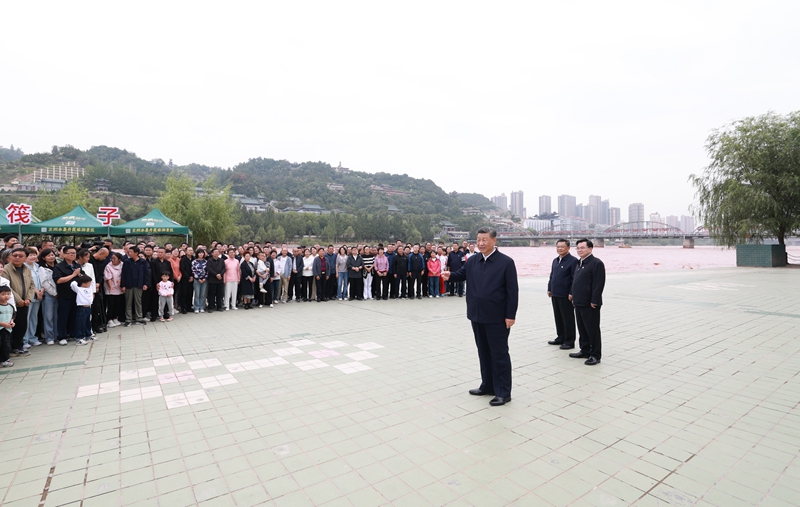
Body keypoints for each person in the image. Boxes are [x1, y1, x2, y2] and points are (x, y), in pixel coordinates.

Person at [443, 227, 519, 406]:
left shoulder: (506, 262)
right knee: (483, 352)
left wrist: (510, 315)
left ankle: (503, 392)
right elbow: (461, 275)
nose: (481, 243)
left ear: (494, 240)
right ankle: (487, 385)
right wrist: (449, 276)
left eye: (484, 240)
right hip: (476, 315)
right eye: (478, 240)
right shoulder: (473, 260)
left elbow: (512, 291)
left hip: (497, 317)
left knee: (499, 354)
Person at [569, 239, 606, 366]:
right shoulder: (579, 262)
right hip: (578, 301)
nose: (579, 250)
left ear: (590, 249)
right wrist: (573, 296)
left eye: (582, 248)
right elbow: (576, 282)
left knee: (592, 329)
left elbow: (598, 284)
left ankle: (595, 355)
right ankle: (585, 350)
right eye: (578, 248)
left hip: (590, 303)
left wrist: (594, 300)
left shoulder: (596, 263)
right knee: (582, 328)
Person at [547, 239, 578, 350]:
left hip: (566, 295)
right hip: (555, 293)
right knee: (558, 317)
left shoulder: (573, 261)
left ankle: (570, 341)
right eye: (558, 247)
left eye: (562, 247)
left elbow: (575, 279)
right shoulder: (555, 260)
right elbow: (552, 276)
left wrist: (571, 292)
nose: (559, 249)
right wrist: (549, 288)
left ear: (568, 248)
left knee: (568, 318)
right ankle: (560, 337)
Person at [5, 247, 35, 356]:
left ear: (25, 258)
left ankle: (18, 346)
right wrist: (19, 300)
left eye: (20, 256)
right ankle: (11, 348)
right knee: (12, 326)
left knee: (22, 325)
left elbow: (32, 285)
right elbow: (7, 287)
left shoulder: (27, 269)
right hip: (11, 303)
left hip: (25, 302)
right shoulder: (6, 269)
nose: (17, 258)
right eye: (15, 255)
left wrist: (28, 298)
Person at [121, 245, 150, 327]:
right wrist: (123, 285)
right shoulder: (127, 262)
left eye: (131, 252)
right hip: (128, 285)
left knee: (138, 302)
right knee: (128, 302)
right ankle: (128, 319)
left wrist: (145, 284)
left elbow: (146, 274)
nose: (129, 253)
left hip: (139, 284)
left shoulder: (143, 262)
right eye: (128, 252)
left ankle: (139, 318)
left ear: (136, 253)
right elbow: (123, 274)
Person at [22, 248, 43, 348]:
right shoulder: (23, 267)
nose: (33, 257)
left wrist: (41, 291)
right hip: (28, 296)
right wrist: (36, 291)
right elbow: (28, 282)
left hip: (39, 295)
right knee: (26, 318)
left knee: (34, 318)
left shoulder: (38, 266)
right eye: (30, 255)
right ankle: (24, 340)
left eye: (35, 255)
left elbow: (42, 279)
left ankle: (32, 338)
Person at [37, 249, 59, 345]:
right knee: (48, 317)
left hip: (59, 295)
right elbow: (44, 283)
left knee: (56, 317)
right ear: (43, 258)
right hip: (49, 295)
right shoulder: (42, 268)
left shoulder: (58, 267)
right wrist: (54, 293)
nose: (51, 257)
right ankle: (49, 337)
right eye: (49, 255)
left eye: (53, 255)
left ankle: (56, 335)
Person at [70, 274, 94, 345]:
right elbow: (73, 284)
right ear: (83, 284)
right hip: (81, 308)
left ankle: (88, 335)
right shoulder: (79, 289)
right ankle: (79, 338)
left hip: (88, 307)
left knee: (87, 322)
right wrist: (78, 278)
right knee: (80, 323)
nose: (90, 284)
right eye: (88, 283)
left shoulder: (89, 288)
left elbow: (92, 282)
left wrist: (83, 275)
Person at [104, 252, 125, 327]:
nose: (112, 260)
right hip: (111, 287)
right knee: (111, 304)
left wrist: (122, 280)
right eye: (111, 258)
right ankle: (109, 319)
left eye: (114, 258)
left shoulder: (123, 265)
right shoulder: (108, 266)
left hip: (119, 287)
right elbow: (108, 277)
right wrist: (110, 287)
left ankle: (115, 318)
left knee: (117, 304)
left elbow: (124, 274)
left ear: (119, 259)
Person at [0, 286, 15, 367]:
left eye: (8, 294)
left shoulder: (10, 306)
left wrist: (12, 322)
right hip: (1, 328)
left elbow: (13, 316)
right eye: (3, 294)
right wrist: (3, 324)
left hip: (7, 330)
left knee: (6, 345)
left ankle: (5, 360)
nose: (6, 296)